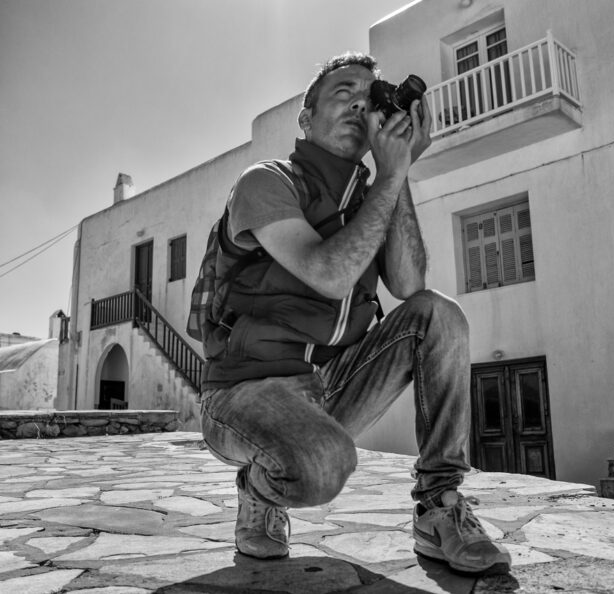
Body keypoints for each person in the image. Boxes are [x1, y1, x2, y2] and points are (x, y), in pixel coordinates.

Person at [196, 51, 511, 575]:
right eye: (343, 94)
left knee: (438, 314)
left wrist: (398, 171)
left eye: (368, 99)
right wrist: (387, 178)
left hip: (330, 385)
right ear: (306, 118)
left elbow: (408, 285)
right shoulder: (266, 181)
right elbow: (329, 273)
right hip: (242, 393)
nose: (358, 106)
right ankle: (258, 488)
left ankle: (439, 505)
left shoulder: (373, 196)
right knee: (323, 466)